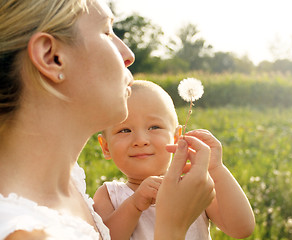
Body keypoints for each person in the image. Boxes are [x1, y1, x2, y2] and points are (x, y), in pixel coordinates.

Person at [0, 1, 215, 239]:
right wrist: (173, 226)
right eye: (106, 32)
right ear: (52, 57)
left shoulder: (67, 183)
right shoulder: (22, 232)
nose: (128, 55)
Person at [93, 80, 255, 240]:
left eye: (154, 127)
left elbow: (242, 228)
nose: (141, 140)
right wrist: (134, 204)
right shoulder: (109, 195)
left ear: (176, 137)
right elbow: (103, 237)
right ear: (106, 147)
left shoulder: (193, 188)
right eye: (125, 130)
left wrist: (216, 169)